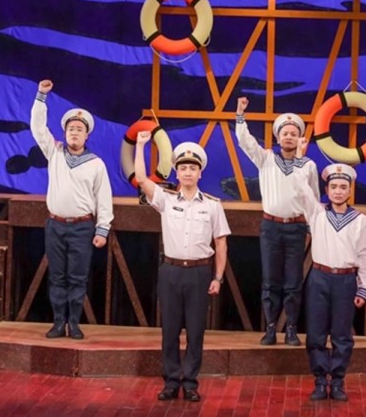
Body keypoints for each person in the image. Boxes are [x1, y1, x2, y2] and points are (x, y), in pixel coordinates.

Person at [134, 133, 229, 403]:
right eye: (183, 168)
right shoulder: (167, 200)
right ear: (176, 172)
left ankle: (190, 383)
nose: (188, 172)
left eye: (192, 168)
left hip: (200, 273)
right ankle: (171, 381)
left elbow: (220, 243)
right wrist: (140, 145)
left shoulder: (213, 205)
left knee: (196, 332)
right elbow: (141, 179)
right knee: (170, 330)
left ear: (200, 173)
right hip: (171, 271)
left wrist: (218, 277)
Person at [292, 138, 366, 402]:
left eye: (343, 187)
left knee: (341, 335)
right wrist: (300, 156)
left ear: (350, 190)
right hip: (319, 278)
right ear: (326, 189)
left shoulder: (360, 220)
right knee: (316, 333)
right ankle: (319, 380)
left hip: (345, 281)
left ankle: (337, 381)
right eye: (334, 186)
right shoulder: (316, 213)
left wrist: (363, 288)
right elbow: (300, 187)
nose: (338, 191)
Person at [30, 80, 113, 339]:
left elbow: (104, 199)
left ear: (87, 135)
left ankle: (74, 323)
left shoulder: (96, 164)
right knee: (57, 276)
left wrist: (102, 229)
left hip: (82, 227)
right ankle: (58, 323)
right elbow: (37, 127)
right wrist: (41, 96)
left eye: (79, 129)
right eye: (70, 129)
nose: (74, 133)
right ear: (64, 133)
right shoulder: (54, 152)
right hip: (55, 225)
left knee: (77, 277)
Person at [235, 96, 320, 345]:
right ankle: (271, 327)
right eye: (285, 134)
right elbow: (245, 141)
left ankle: (291, 328)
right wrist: (240, 115)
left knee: (293, 281)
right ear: (278, 137)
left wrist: (314, 231)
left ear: (300, 138)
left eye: (294, 134)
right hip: (271, 227)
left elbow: (314, 200)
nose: (289, 137)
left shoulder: (308, 166)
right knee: (270, 280)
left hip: (297, 227)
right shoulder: (266, 159)